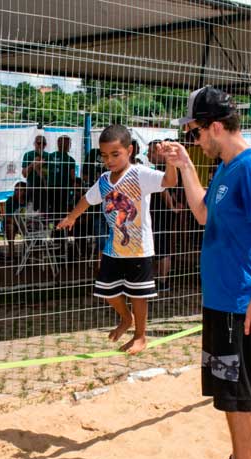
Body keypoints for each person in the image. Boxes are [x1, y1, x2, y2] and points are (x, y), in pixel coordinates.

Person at [159, 85, 251, 459]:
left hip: (242, 303)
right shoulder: (225, 169)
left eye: (196, 132)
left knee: (241, 396)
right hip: (221, 301)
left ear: (215, 126)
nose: (195, 140)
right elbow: (202, 214)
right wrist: (186, 167)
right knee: (227, 392)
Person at [57, 124, 177, 354]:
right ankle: (126, 318)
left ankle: (140, 336)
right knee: (107, 291)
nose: (109, 160)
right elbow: (87, 198)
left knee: (138, 295)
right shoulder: (104, 180)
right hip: (113, 249)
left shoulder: (140, 174)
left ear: (129, 151)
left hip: (139, 250)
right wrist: (72, 217)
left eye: (115, 154)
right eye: (104, 156)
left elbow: (169, 182)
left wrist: (171, 162)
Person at [147, 139, 177, 292]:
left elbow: (164, 189)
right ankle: (158, 278)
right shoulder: (166, 168)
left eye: (152, 152)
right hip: (159, 212)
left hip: (162, 212)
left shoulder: (164, 168)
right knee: (159, 245)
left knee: (162, 246)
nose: (149, 155)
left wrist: (172, 207)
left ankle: (162, 281)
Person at [47, 135, 77, 216]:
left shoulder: (50, 156)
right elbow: (72, 176)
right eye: (69, 143)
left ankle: (54, 222)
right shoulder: (70, 160)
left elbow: (42, 170)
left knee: (52, 209)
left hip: (52, 187)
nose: (69, 145)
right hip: (63, 188)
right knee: (61, 210)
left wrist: (45, 181)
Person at [21, 135, 50, 212]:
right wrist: (32, 163)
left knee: (44, 211)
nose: (41, 145)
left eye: (43, 143)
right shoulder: (28, 155)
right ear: (34, 143)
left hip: (44, 187)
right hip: (32, 186)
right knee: (31, 211)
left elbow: (48, 174)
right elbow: (24, 174)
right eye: (39, 143)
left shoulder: (48, 156)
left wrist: (38, 168)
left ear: (45, 145)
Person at [3, 182, 27, 261]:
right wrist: (19, 223)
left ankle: (27, 253)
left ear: (25, 191)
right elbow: (8, 217)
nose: (17, 192)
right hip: (14, 223)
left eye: (20, 190)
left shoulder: (28, 201)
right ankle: (11, 253)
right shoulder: (10, 200)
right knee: (9, 226)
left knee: (31, 228)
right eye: (16, 190)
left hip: (26, 224)